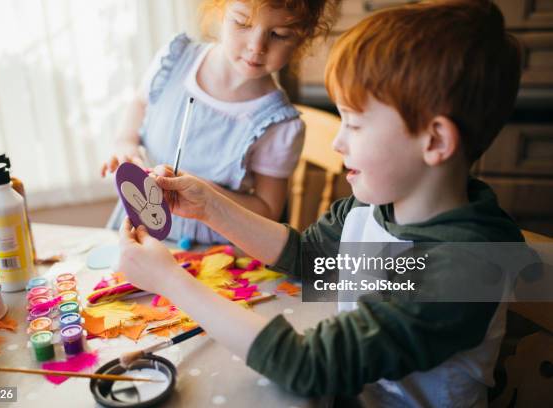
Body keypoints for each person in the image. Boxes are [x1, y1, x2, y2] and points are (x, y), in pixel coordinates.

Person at [118, 1, 523, 406]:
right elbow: (308, 257)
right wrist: (209, 206)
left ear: (434, 141)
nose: (337, 142)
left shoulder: (468, 265)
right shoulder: (372, 209)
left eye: (356, 124)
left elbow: (310, 366)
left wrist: (172, 282)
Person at [102, 0, 337, 244]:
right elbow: (140, 103)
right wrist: (125, 143)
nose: (257, 46)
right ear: (219, 10)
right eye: (242, 23)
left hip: (210, 253)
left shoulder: (278, 125)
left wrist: (206, 196)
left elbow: (267, 211)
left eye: (279, 34)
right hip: (136, 228)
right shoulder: (174, 59)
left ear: (303, 38)